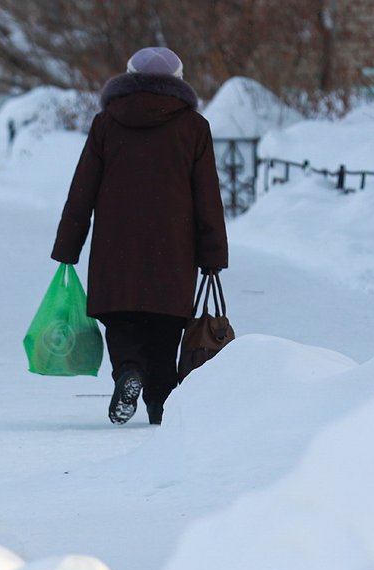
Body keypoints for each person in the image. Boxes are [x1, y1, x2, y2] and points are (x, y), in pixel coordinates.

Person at [51, 47, 228, 426]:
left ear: (128, 77)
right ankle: (160, 402)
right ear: (178, 80)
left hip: (117, 243)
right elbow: (207, 195)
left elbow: (82, 188)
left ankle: (128, 371)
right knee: (165, 322)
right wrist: (212, 254)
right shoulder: (194, 127)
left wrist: (68, 245)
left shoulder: (106, 123)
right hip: (174, 244)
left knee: (122, 317)